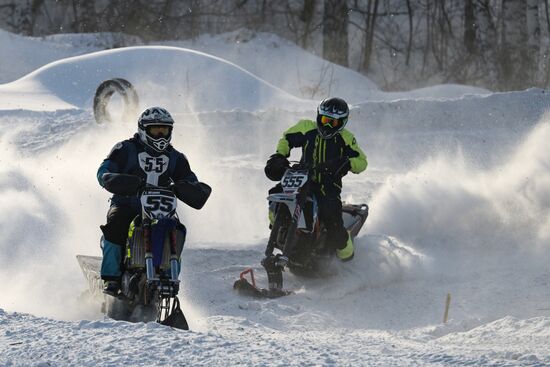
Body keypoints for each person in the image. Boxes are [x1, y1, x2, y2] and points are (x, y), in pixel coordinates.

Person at [97, 106, 205, 295]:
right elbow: (105, 170)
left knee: (177, 229)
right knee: (116, 225)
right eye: (155, 130)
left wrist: (190, 188)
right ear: (143, 129)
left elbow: (189, 178)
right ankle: (111, 279)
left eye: (165, 130)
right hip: (126, 203)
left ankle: (169, 275)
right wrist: (113, 179)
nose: (161, 135)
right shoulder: (125, 149)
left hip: (160, 209)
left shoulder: (176, 157)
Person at [264, 97, 367, 262]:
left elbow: (362, 162)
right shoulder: (306, 127)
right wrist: (279, 155)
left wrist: (346, 163)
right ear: (319, 116)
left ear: (342, 123)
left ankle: (346, 255)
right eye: (325, 120)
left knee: (332, 218)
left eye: (332, 123)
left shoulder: (346, 138)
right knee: (276, 194)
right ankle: (282, 230)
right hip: (302, 179)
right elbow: (286, 138)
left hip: (327, 186)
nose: (327, 126)